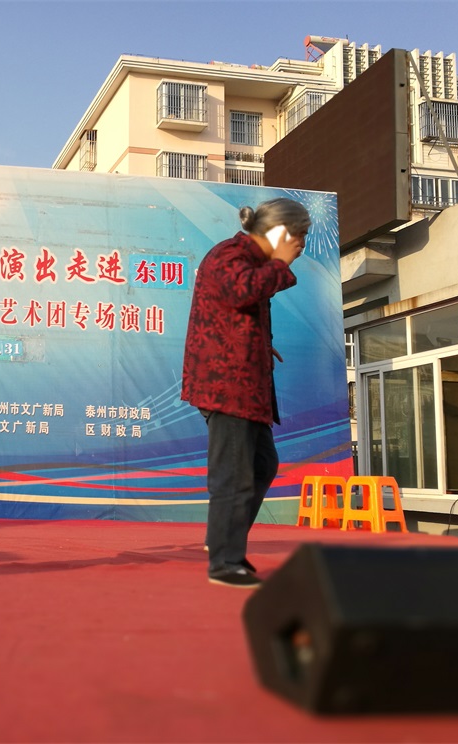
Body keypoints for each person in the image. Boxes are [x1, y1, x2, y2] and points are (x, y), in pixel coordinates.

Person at [181, 198, 310, 588]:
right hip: (227, 385)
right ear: (279, 232)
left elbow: (233, 310)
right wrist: (280, 263)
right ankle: (225, 561)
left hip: (244, 383)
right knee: (234, 473)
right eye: (299, 235)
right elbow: (240, 292)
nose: (301, 245)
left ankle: (223, 541)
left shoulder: (248, 258)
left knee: (261, 465)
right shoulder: (231, 254)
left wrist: (259, 344)